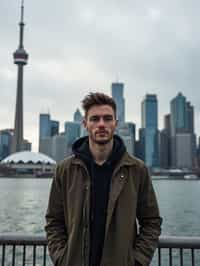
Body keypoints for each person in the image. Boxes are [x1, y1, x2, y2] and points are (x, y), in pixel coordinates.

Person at [45, 92, 162, 266]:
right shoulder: (65, 170)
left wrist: (137, 261)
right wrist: (62, 258)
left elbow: (151, 221)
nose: (101, 124)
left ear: (116, 123)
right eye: (95, 119)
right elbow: (54, 221)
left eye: (107, 119)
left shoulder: (137, 170)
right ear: (85, 124)